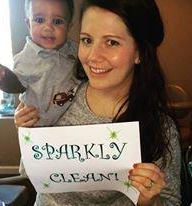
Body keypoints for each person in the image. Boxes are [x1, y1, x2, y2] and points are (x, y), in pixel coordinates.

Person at [14, 0, 181, 205]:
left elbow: (171, 200)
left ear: (139, 52)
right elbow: (37, 162)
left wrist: (151, 201)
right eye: (86, 40)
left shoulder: (160, 128)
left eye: (111, 42)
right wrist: (26, 128)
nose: (92, 56)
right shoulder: (59, 97)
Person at [0, 0, 81, 126]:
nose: (48, 28)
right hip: (37, 124)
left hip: (71, 125)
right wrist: (3, 79)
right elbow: (18, 86)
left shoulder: (75, 50)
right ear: (28, 24)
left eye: (57, 21)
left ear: (69, 27)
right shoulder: (25, 58)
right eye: (39, 20)